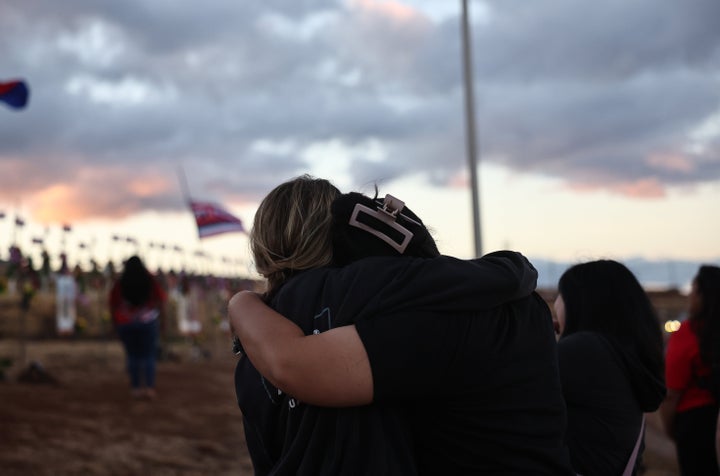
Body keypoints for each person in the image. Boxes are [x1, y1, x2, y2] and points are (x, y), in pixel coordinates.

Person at [230, 175, 574, 475]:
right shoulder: (377, 297)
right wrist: (512, 269)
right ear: (342, 234)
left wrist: (242, 302)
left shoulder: (254, 343)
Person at [552, 260, 666, 475]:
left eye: (561, 294)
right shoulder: (619, 355)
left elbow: (513, 380)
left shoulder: (584, 349)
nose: (556, 303)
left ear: (579, 302)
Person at [660, 265, 720, 475]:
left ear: (703, 295)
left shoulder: (688, 333)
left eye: (693, 290)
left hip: (696, 425)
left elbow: (671, 393)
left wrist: (670, 430)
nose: (689, 296)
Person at [109, 255, 167, 399]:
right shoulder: (150, 280)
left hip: (125, 323)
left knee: (132, 356)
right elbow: (161, 301)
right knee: (148, 356)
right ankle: (149, 388)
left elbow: (113, 305)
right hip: (148, 323)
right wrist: (163, 321)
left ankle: (135, 388)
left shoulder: (120, 282)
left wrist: (114, 325)